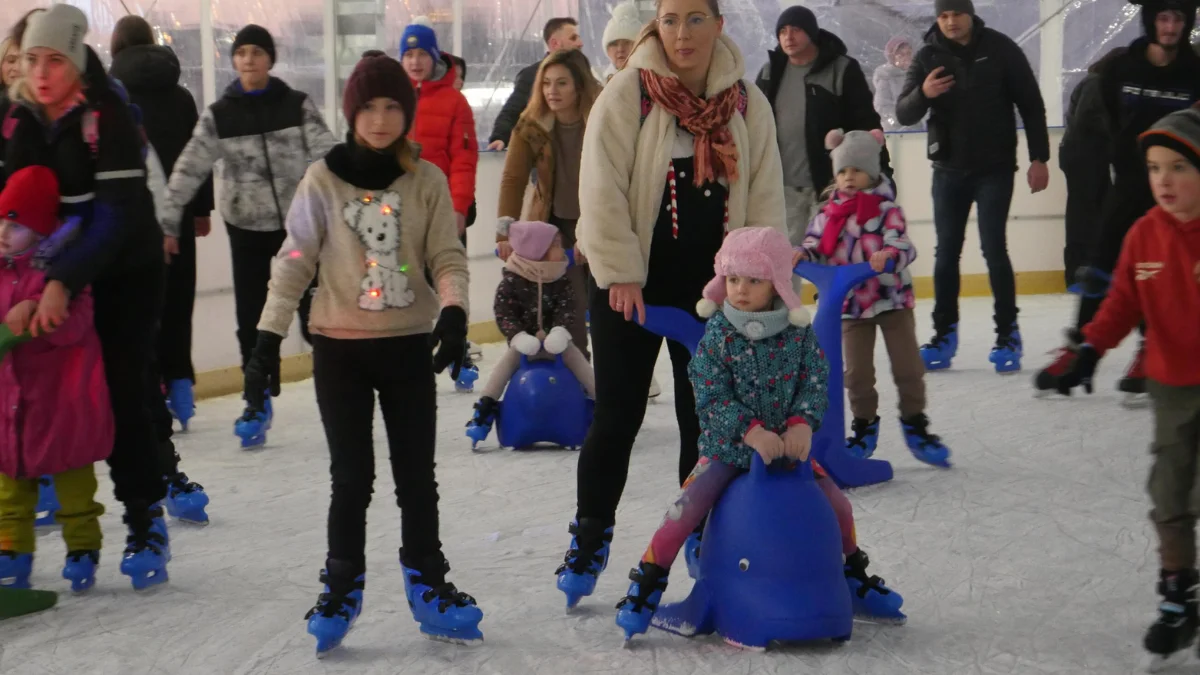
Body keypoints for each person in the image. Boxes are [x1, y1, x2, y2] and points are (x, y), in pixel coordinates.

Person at [243, 52, 482, 652]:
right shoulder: (322, 179)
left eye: (392, 106)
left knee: (416, 478)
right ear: (351, 113)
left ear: (407, 111)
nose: (380, 119)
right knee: (351, 477)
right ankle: (342, 583)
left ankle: (428, 581)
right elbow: (294, 260)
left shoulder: (425, 181)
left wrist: (453, 309)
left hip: (407, 349)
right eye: (369, 107)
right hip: (339, 351)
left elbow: (446, 256)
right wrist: (268, 336)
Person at [555, 0, 789, 609]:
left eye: (694, 18)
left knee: (706, 420)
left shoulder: (745, 102)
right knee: (618, 415)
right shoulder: (628, 93)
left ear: (719, 25)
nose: (681, 33)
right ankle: (590, 535)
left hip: (715, 293)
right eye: (670, 20)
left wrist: (753, 283)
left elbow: (763, 197)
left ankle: (698, 532)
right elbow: (599, 188)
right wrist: (621, 273)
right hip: (630, 286)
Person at [613, 227, 904, 639]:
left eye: (754, 280)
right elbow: (710, 396)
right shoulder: (719, 333)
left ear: (778, 283)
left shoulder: (797, 334)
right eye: (733, 279)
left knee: (839, 504)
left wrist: (801, 423)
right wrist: (749, 432)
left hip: (789, 450)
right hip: (726, 451)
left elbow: (815, 381)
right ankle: (646, 584)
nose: (741, 290)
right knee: (683, 510)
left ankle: (853, 574)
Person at [2, 4, 173, 588]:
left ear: (76, 59)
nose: (42, 73)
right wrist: (25, 285)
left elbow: (115, 216)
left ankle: (145, 519)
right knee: (44, 397)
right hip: (53, 273)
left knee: (121, 393)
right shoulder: (18, 118)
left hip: (126, 270)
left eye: (55, 59)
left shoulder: (109, 116)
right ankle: (33, 534)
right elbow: (18, 213)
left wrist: (61, 282)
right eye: (31, 60)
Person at [1052, 105, 1200, 669]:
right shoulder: (1144, 234)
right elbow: (1121, 304)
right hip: (1169, 387)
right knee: (1169, 495)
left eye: (1179, 167)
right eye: (1155, 168)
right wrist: (1087, 351)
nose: (1163, 180)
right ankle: (1177, 596)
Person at [158, 23, 337, 428]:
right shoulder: (221, 115)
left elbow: (327, 153)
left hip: (299, 227)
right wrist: (168, 222)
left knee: (317, 311)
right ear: (234, 60)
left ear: (270, 59)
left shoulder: (296, 104)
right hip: (246, 228)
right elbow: (188, 168)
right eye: (242, 53)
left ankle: (340, 383)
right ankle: (256, 398)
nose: (249, 59)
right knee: (252, 318)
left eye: (257, 52)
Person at [1036, 0, 1200, 400]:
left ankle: (1151, 349)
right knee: (1099, 268)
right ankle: (1078, 348)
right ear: (1150, 21)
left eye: (1178, 18)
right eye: (1163, 17)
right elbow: (1107, 119)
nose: (1170, 26)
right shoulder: (1120, 68)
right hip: (1129, 183)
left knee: (1162, 271)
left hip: (1178, 194)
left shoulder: (1196, 71)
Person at [895, 0, 1050, 374]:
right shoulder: (927, 55)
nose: (950, 21)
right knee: (946, 253)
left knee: (994, 248)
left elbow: (1031, 103)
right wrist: (924, 94)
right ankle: (944, 334)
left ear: (970, 14)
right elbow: (902, 112)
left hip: (994, 168)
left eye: (956, 14)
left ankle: (1007, 334)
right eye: (943, 15)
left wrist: (1039, 158)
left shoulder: (1000, 48)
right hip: (948, 170)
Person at [796, 129, 950, 468]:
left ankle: (915, 423)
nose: (849, 177)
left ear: (873, 171)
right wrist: (800, 255)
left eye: (856, 170)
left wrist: (890, 254)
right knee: (857, 375)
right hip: (848, 306)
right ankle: (864, 425)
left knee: (908, 367)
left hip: (890, 300)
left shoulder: (886, 210)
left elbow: (904, 245)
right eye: (842, 171)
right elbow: (814, 247)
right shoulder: (825, 215)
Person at [0, 167, 112, 594]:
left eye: (18, 225)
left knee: (75, 492)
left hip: (59, 407)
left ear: (43, 231)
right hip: (9, 410)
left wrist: (36, 311)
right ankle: (12, 553)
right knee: (9, 493)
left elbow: (74, 327)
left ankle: (82, 547)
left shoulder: (60, 279)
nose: (5, 233)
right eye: (2, 222)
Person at [110, 15, 214, 431]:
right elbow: (199, 155)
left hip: (136, 220)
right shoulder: (182, 96)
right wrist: (202, 210)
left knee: (141, 308)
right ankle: (182, 387)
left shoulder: (113, 96)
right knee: (178, 302)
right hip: (181, 215)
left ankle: (152, 390)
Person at [495, 49, 601, 357]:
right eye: (546, 83)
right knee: (569, 310)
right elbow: (512, 181)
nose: (552, 91)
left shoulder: (600, 119)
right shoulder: (531, 125)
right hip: (553, 230)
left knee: (607, 306)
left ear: (579, 85)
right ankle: (578, 381)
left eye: (562, 83)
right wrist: (505, 233)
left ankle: (615, 378)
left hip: (598, 223)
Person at [754, 5, 890, 243]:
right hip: (782, 189)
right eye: (783, 31)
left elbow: (866, 122)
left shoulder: (841, 69)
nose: (789, 36)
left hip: (831, 187)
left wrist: (882, 171)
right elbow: (754, 125)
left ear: (811, 32)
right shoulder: (770, 72)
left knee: (833, 259)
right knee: (784, 264)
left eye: (796, 29)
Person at [466, 221, 596, 441]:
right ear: (538, 251)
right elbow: (504, 312)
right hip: (524, 344)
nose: (561, 248)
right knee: (503, 367)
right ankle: (484, 411)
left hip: (557, 342)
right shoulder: (512, 281)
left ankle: (603, 407)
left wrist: (559, 332)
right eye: (555, 245)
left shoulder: (561, 278)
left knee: (580, 363)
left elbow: (568, 307)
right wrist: (517, 336)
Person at [1058, 47, 1127, 290]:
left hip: (1090, 155)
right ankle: (1076, 274)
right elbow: (1086, 120)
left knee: (1101, 212)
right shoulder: (1097, 83)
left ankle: (1095, 271)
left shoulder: (1101, 84)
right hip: (1082, 156)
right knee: (1082, 215)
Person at [487, 17, 583, 150]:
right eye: (573, 38)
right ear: (554, 44)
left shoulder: (585, 75)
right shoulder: (531, 75)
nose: (580, 43)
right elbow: (512, 112)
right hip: (544, 159)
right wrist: (500, 137)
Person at [873, 36, 922, 132]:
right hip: (896, 133)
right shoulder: (886, 76)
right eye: (901, 55)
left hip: (920, 129)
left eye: (908, 53)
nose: (906, 57)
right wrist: (900, 122)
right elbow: (882, 107)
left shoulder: (917, 74)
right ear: (892, 57)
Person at [602, 2, 642, 81]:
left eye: (627, 42)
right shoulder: (599, 83)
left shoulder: (651, 83)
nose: (620, 49)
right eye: (614, 44)